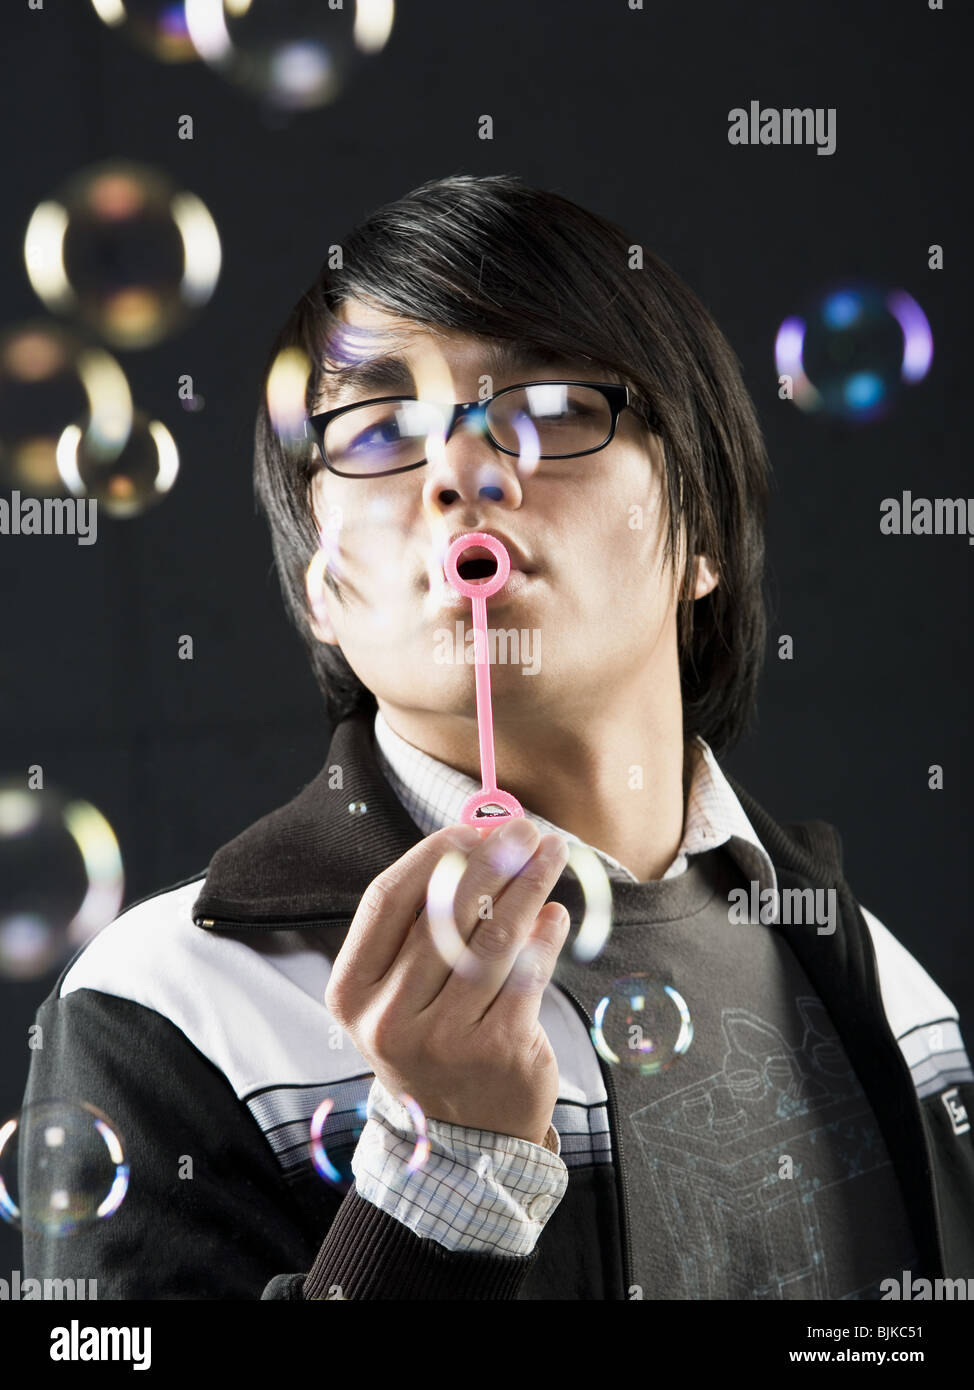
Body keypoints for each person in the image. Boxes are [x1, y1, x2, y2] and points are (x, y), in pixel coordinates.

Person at [21, 174, 974, 1301]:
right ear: (322, 588)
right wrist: (445, 1184)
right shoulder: (174, 1011)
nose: (463, 471)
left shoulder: (893, 993)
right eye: (377, 429)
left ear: (701, 534)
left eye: (558, 405)